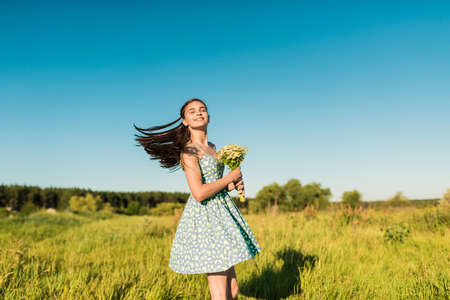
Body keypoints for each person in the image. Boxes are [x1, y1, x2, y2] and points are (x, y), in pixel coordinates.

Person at [134, 98, 261, 300]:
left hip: (223, 215)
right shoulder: (189, 151)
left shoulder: (213, 147)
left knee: (233, 289)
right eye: (192, 111)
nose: (198, 113)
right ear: (185, 121)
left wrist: (232, 184)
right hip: (206, 219)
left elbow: (216, 185)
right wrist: (229, 178)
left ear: (209, 116)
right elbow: (199, 192)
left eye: (202, 109)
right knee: (220, 293)